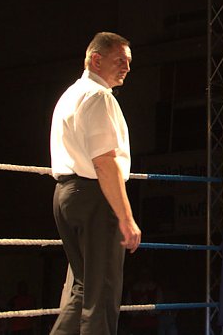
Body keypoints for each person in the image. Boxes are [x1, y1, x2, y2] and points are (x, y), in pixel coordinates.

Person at [50, 31, 142, 335]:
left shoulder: (70, 94)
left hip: (65, 195)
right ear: (96, 59)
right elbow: (105, 163)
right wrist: (126, 218)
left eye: (128, 62)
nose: (126, 68)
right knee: (100, 295)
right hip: (94, 198)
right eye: (120, 61)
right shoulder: (99, 97)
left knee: (82, 289)